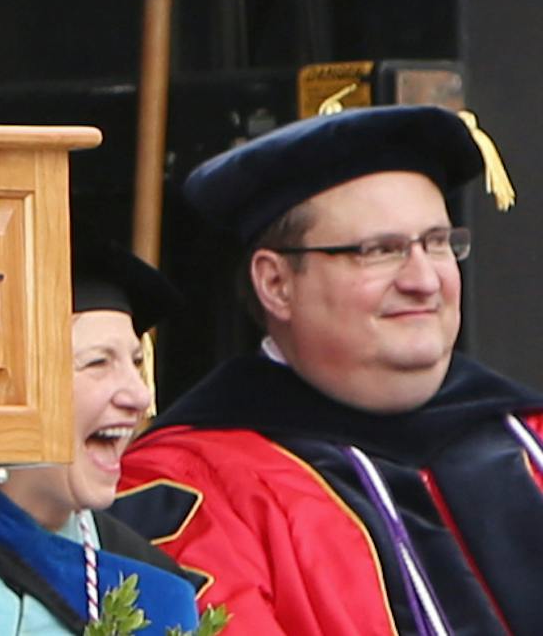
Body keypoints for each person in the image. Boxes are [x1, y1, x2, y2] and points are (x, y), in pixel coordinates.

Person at [111, 105, 543, 635]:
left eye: (437, 243)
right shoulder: (187, 488)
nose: (425, 280)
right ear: (276, 284)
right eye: (380, 251)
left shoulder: (529, 439)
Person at [0, 237, 200, 634]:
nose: (140, 395)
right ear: (12, 387)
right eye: (99, 362)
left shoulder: (147, 582)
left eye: (136, 363)